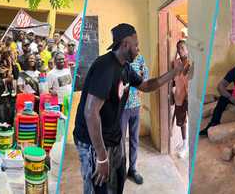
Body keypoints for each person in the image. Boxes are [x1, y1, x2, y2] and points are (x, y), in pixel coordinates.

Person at [72, 23, 184, 194]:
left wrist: (173, 73)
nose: (138, 49)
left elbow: (146, 85)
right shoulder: (105, 67)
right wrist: (102, 158)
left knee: (116, 183)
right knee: (98, 188)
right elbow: (90, 112)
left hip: (114, 137)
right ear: (125, 44)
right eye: (136, 45)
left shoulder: (124, 67)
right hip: (92, 143)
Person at [120, 54, 148, 185]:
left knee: (134, 140)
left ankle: (132, 169)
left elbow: (145, 73)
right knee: (119, 141)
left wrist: (142, 85)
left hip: (135, 105)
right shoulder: (120, 58)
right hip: (122, 107)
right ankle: (120, 171)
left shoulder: (140, 59)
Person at [172, 40, 193, 158]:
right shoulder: (176, 63)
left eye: (183, 48)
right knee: (181, 122)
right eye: (178, 48)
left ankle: (190, 145)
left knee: (192, 122)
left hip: (190, 96)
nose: (180, 51)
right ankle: (185, 144)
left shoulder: (191, 63)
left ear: (187, 48)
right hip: (179, 95)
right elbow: (173, 80)